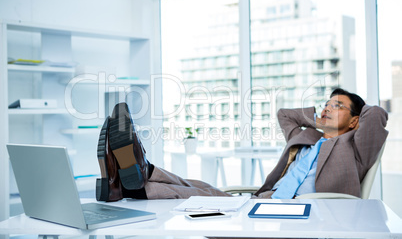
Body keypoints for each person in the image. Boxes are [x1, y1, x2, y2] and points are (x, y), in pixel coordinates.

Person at [95, 88, 388, 202]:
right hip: (267, 201)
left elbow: (376, 115)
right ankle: (139, 173)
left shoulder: (356, 146)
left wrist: (347, 120)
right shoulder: (308, 138)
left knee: (197, 196)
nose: (325, 108)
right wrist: (320, 118)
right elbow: (284, 115)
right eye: (324, 104)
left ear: (354, 121)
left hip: (301, 212)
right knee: (201, 185)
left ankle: (126, 182)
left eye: (336, 106)